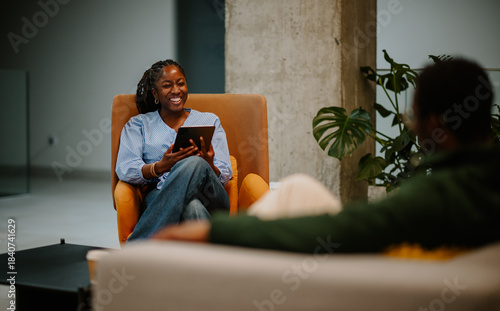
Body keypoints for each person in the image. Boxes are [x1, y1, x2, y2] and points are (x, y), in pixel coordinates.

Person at [152, 58, 500, 254]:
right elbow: (128, 172)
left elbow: (345, 228)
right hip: (177, 195)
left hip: (364, 264)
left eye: (413, 116)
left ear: (435, 125)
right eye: (167, 85)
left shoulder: (439, 197)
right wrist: (160, 166)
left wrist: (215, 233)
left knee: (288, 190)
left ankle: (150, 249)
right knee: (296, 187)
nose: (410, 125)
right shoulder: (481, 182)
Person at [116, 59, 232, 241]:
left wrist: (208, 164)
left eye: (181, 83)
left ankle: (138, 245)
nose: (176, 90)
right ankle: (216, 265)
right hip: (159, 195)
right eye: (167, 85)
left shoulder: (209, 120)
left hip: (211, 195)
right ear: (155, 93)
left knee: (195, 162)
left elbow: (225, 173)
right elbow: (125, 167)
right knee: (192, 208)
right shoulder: (139, 125)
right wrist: (159, 167)